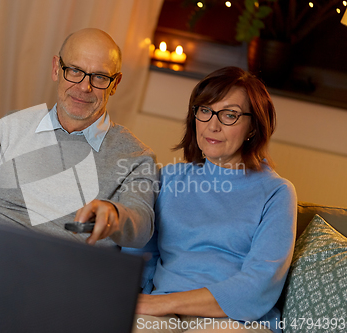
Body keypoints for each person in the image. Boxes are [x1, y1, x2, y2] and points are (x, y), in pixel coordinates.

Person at [123, 67, 297, 333]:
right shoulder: (167, 178)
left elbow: (258, 286)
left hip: (233, 319)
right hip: (160, 311)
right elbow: (139, 257)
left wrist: (162, 303)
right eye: (205, 110)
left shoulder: (277, 192)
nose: (212, 125)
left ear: (253, 127)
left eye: (230, 115)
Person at [0, 28, 158, 248]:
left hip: (70, 273)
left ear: (115, 84)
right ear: (56, 69)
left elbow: (142, 227)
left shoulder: (137, 157)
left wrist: (115, 216)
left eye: (100, 77)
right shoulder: (6, 131)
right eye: (75, 71)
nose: (84, 87)